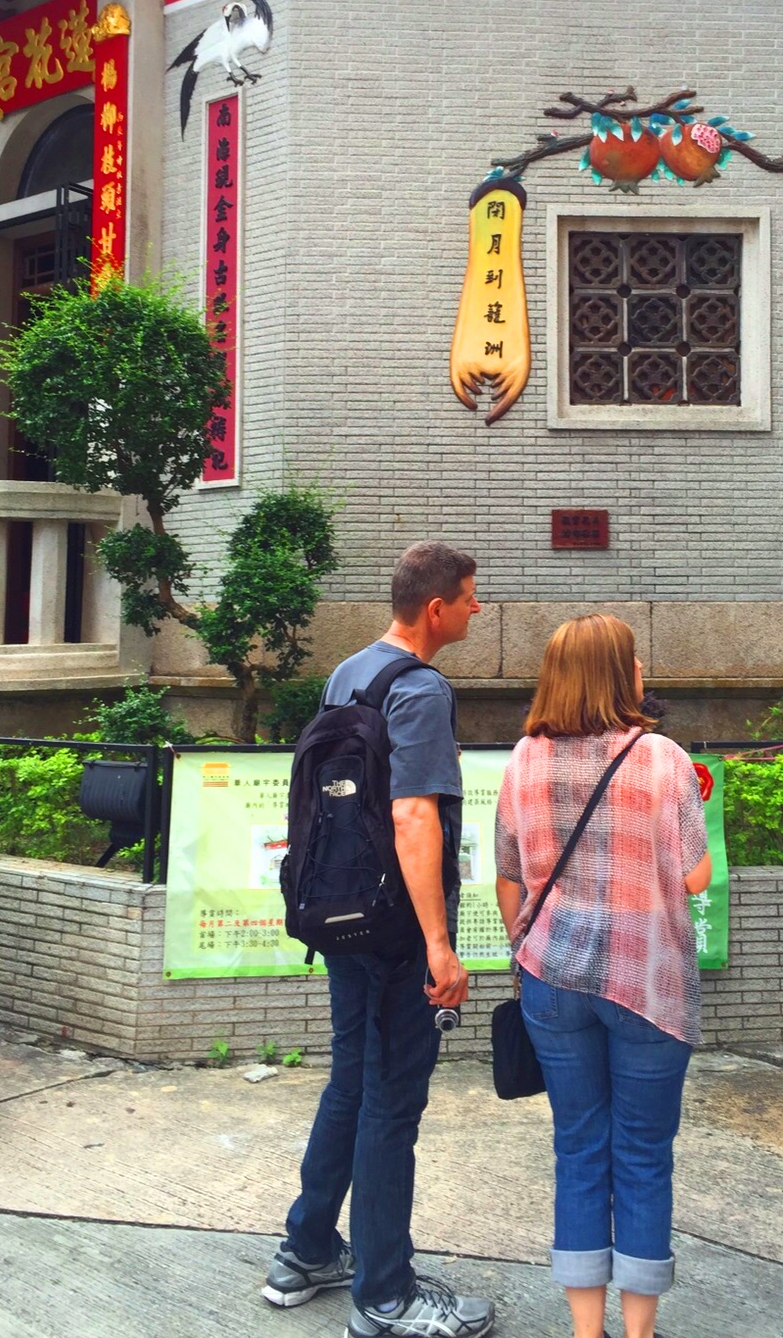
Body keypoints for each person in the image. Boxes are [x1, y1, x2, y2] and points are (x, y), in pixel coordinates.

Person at [263, 541, 496, 1338]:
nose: (476, 609)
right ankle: (385, 1296)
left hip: (338, 913)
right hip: (397, 930)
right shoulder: (423, 690)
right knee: (392, 1104)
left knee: (351, 1084)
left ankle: (307, 1250)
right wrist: (439, 942)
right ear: (436, 609)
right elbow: (412, 815)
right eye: (469, 598)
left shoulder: (348, 674)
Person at [494, 614, 712, 1338]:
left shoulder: (523, 758)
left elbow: (507, 877)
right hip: (647, 982)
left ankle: (586, 1333)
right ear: (624, 675)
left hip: (552, 978)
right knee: (644, 1154)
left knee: (579, 1146)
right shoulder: (663, 759)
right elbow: (696, 878)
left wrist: (530, 944)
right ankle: (639, 1332)